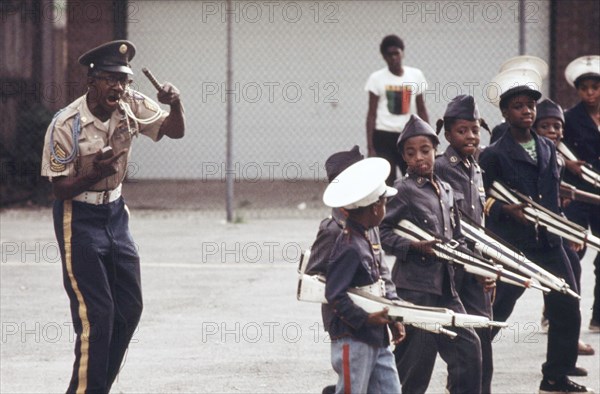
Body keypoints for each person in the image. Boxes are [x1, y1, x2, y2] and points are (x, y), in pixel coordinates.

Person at [40, 40, 185, 393]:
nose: (118, 88)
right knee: (97, 316)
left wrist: (176, 103)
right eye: (109, 79)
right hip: (80, 218)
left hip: (115, 214)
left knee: (130, 308)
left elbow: (174, 130)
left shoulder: (130, 105)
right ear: (92, 81)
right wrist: (93, 173)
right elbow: (59, 190)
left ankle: (95, 387)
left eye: (123, 80)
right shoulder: (66, 124)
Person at [478, 75, 592, 393]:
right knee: (497, 309)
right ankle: (468, 367)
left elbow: (551, 194)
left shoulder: (546, 146)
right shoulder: (494, 155)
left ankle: (555, 376)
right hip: (514, 246)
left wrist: (565, 227)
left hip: (549, 242)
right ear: (505, 113)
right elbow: (481, 199)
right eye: (518, 107)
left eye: (530, 106)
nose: (526, 111)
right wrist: (503, 210)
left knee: (567, 303)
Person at [379, 114, 482, 394]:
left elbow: (456, 237)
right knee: (415, 366)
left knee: (469, 349)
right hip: (415, 289)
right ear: (403, 157)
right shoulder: (401, 191)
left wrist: (480, 267)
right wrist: (412, 247)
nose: (419, 158)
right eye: (410, 153)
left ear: (436, 150)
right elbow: (381, 233)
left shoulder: (446, 189)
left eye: (425, 150)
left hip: (448, 287)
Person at [323, 157, 405, 394]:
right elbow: (335, 295)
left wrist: (394, 318)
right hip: (354, 338)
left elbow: (380, 281)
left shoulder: (365, 238)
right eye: (384, 202)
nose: (385, 208)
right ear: (375, 207)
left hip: (376, 337)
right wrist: (365, 319)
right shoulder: (349, 246)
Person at [434, 95, 495, 394]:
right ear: (447, 134)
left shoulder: (476, 167)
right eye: (462, 130)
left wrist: (488, 264)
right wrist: (475, 264)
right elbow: (451, 227)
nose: (470, 136)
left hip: (477, 266)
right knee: (464, 349)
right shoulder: (441, 169)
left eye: (475, 129)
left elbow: (479, 226)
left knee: (483, 339)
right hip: (456, 269)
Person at [533, 99, 594, 356]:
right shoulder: (532, 150)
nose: (551, 131)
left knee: (568, 274)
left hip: (552, 226)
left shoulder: (557, 154)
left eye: (556, 126)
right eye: (544, 126)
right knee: (501, 299)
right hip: (523, 230)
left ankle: (564, 348)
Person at [562, 55, 600, 334]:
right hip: (577, 193)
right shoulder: (568, 118)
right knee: (573, 250)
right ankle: (559, 309)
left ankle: (598, 316)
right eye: (584, 87)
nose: (589, 92)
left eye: (595, 86)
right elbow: (550, 148)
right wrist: (567, 164)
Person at [365, 34, 429, 185]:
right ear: (383, 56)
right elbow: (371, 114)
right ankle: (388, 208)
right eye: (389, 54)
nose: (393, 58)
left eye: (396, 53)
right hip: (383, 135)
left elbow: (421, 109)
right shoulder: (376, 79)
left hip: (407, 135)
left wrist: (428, 136)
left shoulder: (415, 75)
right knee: (387, 178)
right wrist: (370, 147)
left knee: (413, 175)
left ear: (402, 53)